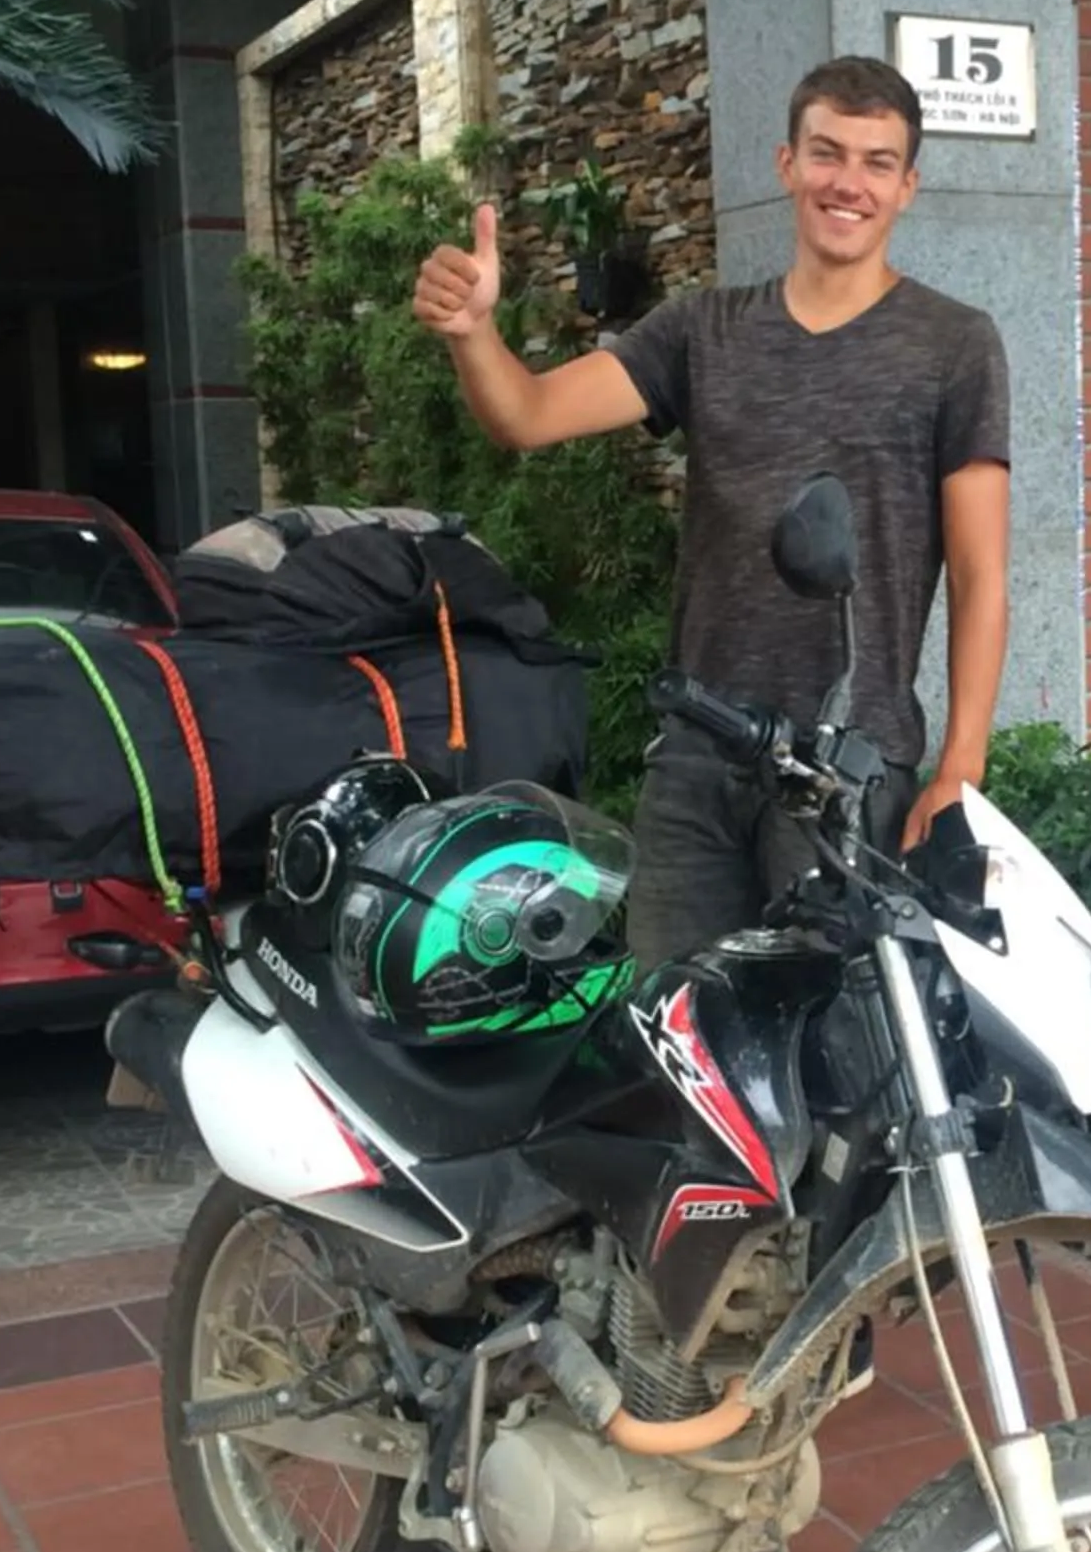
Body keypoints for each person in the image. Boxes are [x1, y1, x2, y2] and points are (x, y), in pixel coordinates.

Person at [412, 55, 1012, 965]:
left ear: (907, 187)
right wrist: (474, 335)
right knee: (682, 1038)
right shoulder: (703, 330)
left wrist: (961, 764)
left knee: (835, 1061)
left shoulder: (954, 344)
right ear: (786, 165)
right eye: (827, 154)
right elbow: (526, 416)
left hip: (850, 764)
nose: (848, 182)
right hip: (699, 754)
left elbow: (979, 574)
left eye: (877, 162)